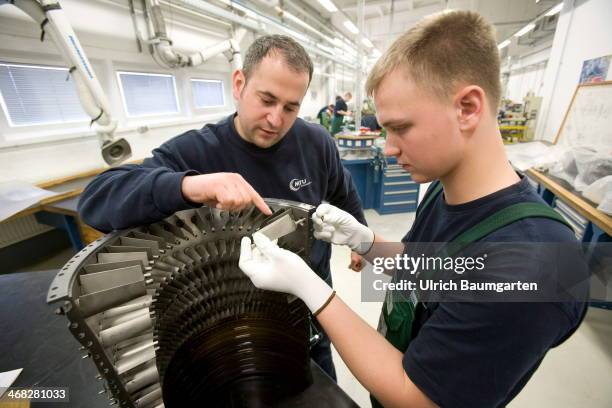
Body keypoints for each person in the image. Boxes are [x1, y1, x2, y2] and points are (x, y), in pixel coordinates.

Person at [238, 11, 588, 408]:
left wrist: (311, 289)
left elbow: (418, 396)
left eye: (401, 128)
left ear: (468, 108)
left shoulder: (533, 263)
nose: (388, 147)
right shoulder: (445, 192)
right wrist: (367, 242)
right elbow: (438, 271)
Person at [77, 34, 368, 381]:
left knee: (322, 391)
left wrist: (361, 240)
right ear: (239, 83)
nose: (276, 119)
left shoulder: (316, 142)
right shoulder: (196, 152)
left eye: (291, 107)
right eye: (267, 100)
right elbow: (96, 199)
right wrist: (188, 185)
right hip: (238, 322)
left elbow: (342, 192)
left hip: (311, 310)